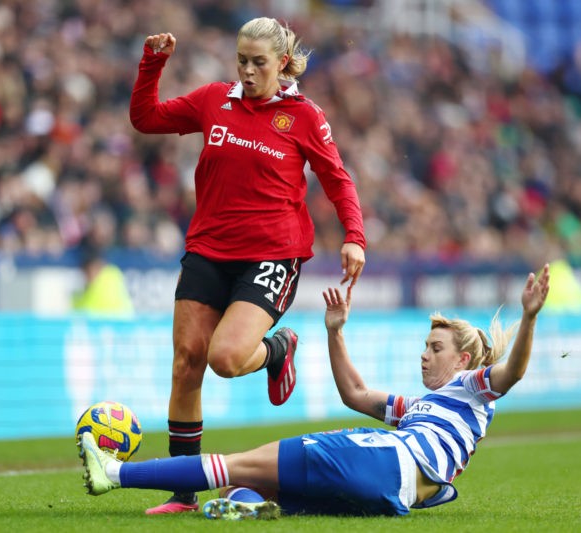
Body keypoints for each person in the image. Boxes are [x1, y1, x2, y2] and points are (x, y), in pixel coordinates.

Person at [78, 264, 551, 519]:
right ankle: (247, 506)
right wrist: (335, 332)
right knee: (254, 486)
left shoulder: (471, 388)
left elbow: (510, 375)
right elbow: (356, 393)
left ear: (463, 360)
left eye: (435, 348)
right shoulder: (426, 408)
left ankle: (114, 473)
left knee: (238, 463)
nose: (424, 356)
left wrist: (528, 318)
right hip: (391, 493)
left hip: (386, 459)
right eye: (424, 346)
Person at [128, 17, 367, 513]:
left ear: (282, 64)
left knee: (226, 358)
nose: (249, 70)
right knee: (186, 362)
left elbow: (337, 179)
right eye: (242, 60)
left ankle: (277, 348)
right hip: (208, 249)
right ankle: (184, 491)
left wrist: (354, 237)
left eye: (260, 62)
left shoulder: (304, 116)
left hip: (272, 253)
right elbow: (146, 119)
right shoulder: (215, 99)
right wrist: (153, 64)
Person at [72, 245, 135, 318]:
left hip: (114, 324)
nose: (89, 272)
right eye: (86, 269)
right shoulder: (112, 274)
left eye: (92, 268)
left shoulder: (110, 278)